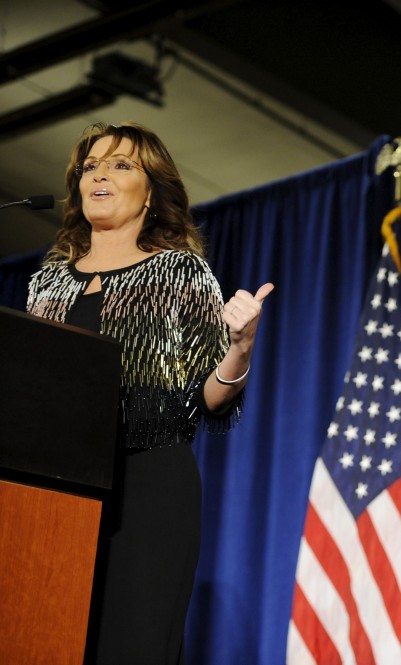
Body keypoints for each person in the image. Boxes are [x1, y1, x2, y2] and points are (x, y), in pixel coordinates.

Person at [26, 122, 273, 664]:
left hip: (147, 486)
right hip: (51, 492)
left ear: (152, 191)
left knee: (130, 645)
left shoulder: (181, 273)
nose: (100, 175)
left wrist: (242, 344)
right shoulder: (47, 283)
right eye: (91, 166)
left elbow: (206, 399)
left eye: (120, 165)